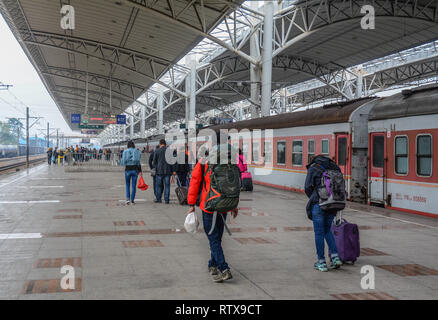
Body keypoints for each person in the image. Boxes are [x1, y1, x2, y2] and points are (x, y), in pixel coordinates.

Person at [186, 132, 239, 283]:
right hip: (225, 205)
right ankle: (212, 264)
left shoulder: (204, 161)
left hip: (209, 206)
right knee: (216, 238)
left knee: (213, 239)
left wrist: (191, 205)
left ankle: (224, 268)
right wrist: (234, 205)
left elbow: (194, 183)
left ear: (212, 144)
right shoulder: (231, 162)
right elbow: (234, 185)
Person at [305, 154, 343, 272]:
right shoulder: (335, 167)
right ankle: (335, 257)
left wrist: (315, 197)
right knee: (327, 230)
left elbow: (307, 187)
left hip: (319, 205)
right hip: (333, 204)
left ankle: (321, 262)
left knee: (319, 233)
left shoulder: (313, 168)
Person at [121, 140, 142, 205]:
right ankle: (132, 200)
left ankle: (127, 199)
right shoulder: (137, 151)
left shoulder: (125, 151)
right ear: (133, 145)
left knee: (127, 185)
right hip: (135, 170)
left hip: (127, 170)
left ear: (128, 145)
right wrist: (140, 171)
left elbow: (122, 162)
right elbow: (138, 162)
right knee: (133, 186)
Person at [153, 139, 173, 204]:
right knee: (167, 186)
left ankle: (159, 199)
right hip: (168, 171)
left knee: (158, 186)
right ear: (165, 144)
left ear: (160, 144)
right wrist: (173, 170)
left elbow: (154, 162)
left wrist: (156, 167)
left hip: (159, 171)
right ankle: (166, 200)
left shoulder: (157, 151)